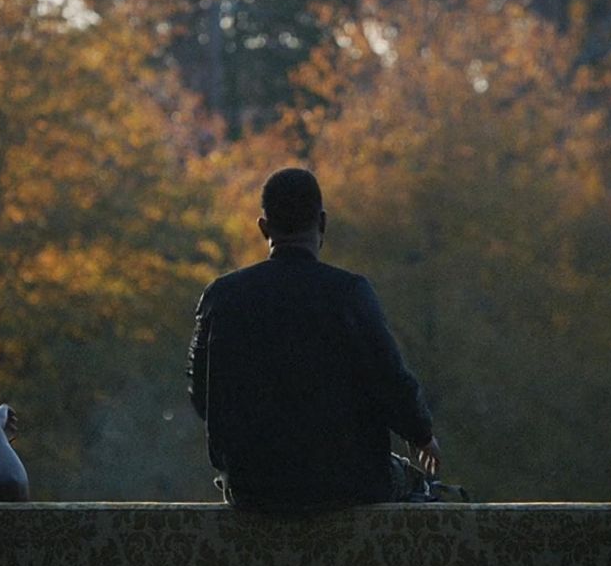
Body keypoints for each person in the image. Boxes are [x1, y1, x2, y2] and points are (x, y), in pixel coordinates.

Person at [186, 167, 442, 510]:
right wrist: (421, 434)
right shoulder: (349, 293)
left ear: (263, 227)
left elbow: (201, 395)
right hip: (348, 483)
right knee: (416, 485)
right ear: (322, 223)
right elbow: (389, 379)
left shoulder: (222, 297)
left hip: (253, 488)